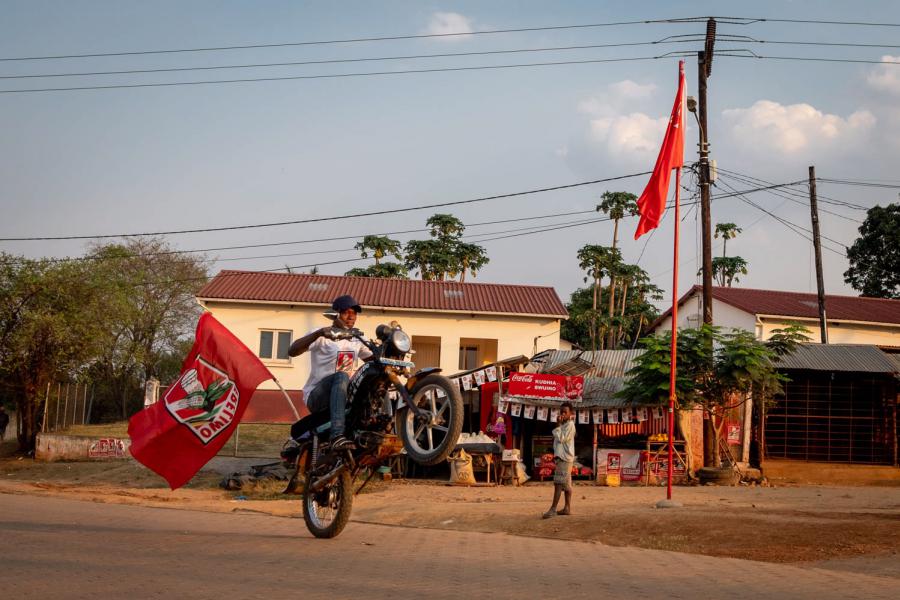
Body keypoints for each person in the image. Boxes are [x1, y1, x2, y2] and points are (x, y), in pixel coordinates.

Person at [286, 295, 372, 451]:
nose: (351, 316)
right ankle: (337, 435)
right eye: (346, 312)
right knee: (342, 374)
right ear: (335, 314)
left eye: (354, 313)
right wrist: (318, 333)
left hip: (342, 394)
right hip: (317, 396)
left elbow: (372, 360)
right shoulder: (323, 336)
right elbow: (292, 351)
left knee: (372, 381)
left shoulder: (358, 338)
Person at [543, 401, 575, 519]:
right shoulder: (564, 425)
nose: (563, 414)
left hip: (564, 459)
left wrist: (557, 424)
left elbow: (561, 438)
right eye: (561, 412)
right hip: (563, 458)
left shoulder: (569, 425)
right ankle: (567, 508)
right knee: (566, 485)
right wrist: (559, 425)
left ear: (571, 413)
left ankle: (553, 509)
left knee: (558, 483)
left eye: (565, 412)